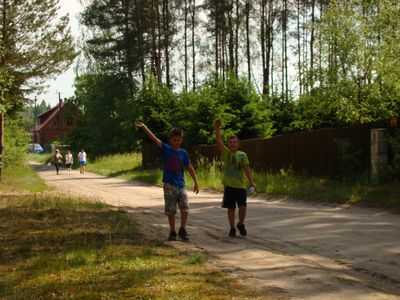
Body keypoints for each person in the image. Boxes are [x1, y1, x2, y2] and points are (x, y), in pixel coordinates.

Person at [135, 121, 199, 241]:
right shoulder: (166, 149)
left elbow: (190, 168)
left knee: (185, 208)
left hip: (181, 186)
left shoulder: (184, 153)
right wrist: (144, 127)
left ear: (181, 140)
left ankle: (182, 229)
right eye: (174, 140)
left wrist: (196, 182)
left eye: (179, 140)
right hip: (169, 185)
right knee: (171, 210)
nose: (176, 142)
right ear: (170, 140)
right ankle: (173, 231)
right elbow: (154, 139)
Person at [214, 119, 256, 237]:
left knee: (243, 207)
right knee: (231, 208)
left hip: (241, 186)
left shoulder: (242, 155)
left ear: (238, 144)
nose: (232, 144)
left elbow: (247, 169)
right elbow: (218, 141)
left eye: (234, 142)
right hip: (229, 186)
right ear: (228, 144)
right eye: (230, 142)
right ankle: (232, 228)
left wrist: (252, 182)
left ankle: (241, 224)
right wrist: (217, 129)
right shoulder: (226, 153)